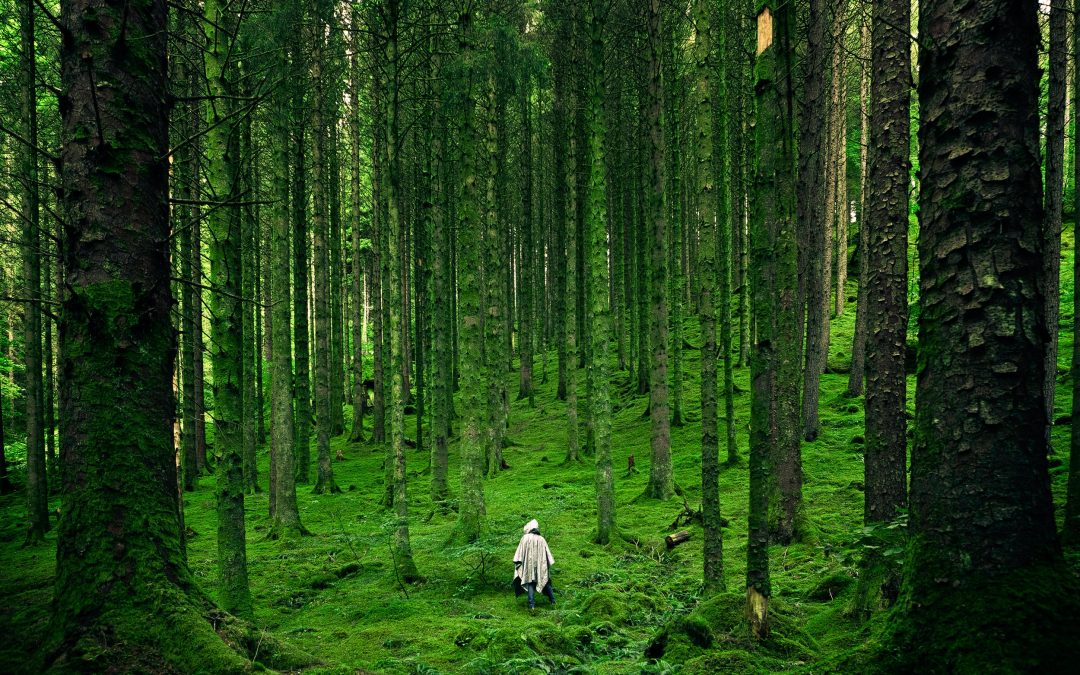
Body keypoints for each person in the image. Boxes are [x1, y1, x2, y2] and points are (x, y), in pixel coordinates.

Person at [512, 519, 555, 610]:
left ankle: (532, 605)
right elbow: (547, 554)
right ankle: (553, 601)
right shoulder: (541, 539)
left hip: (529, 565)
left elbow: (520, 552)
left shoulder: (525, 538)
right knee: (545, 580)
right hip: (540, 564)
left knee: (530, 582)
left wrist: (518, 561)